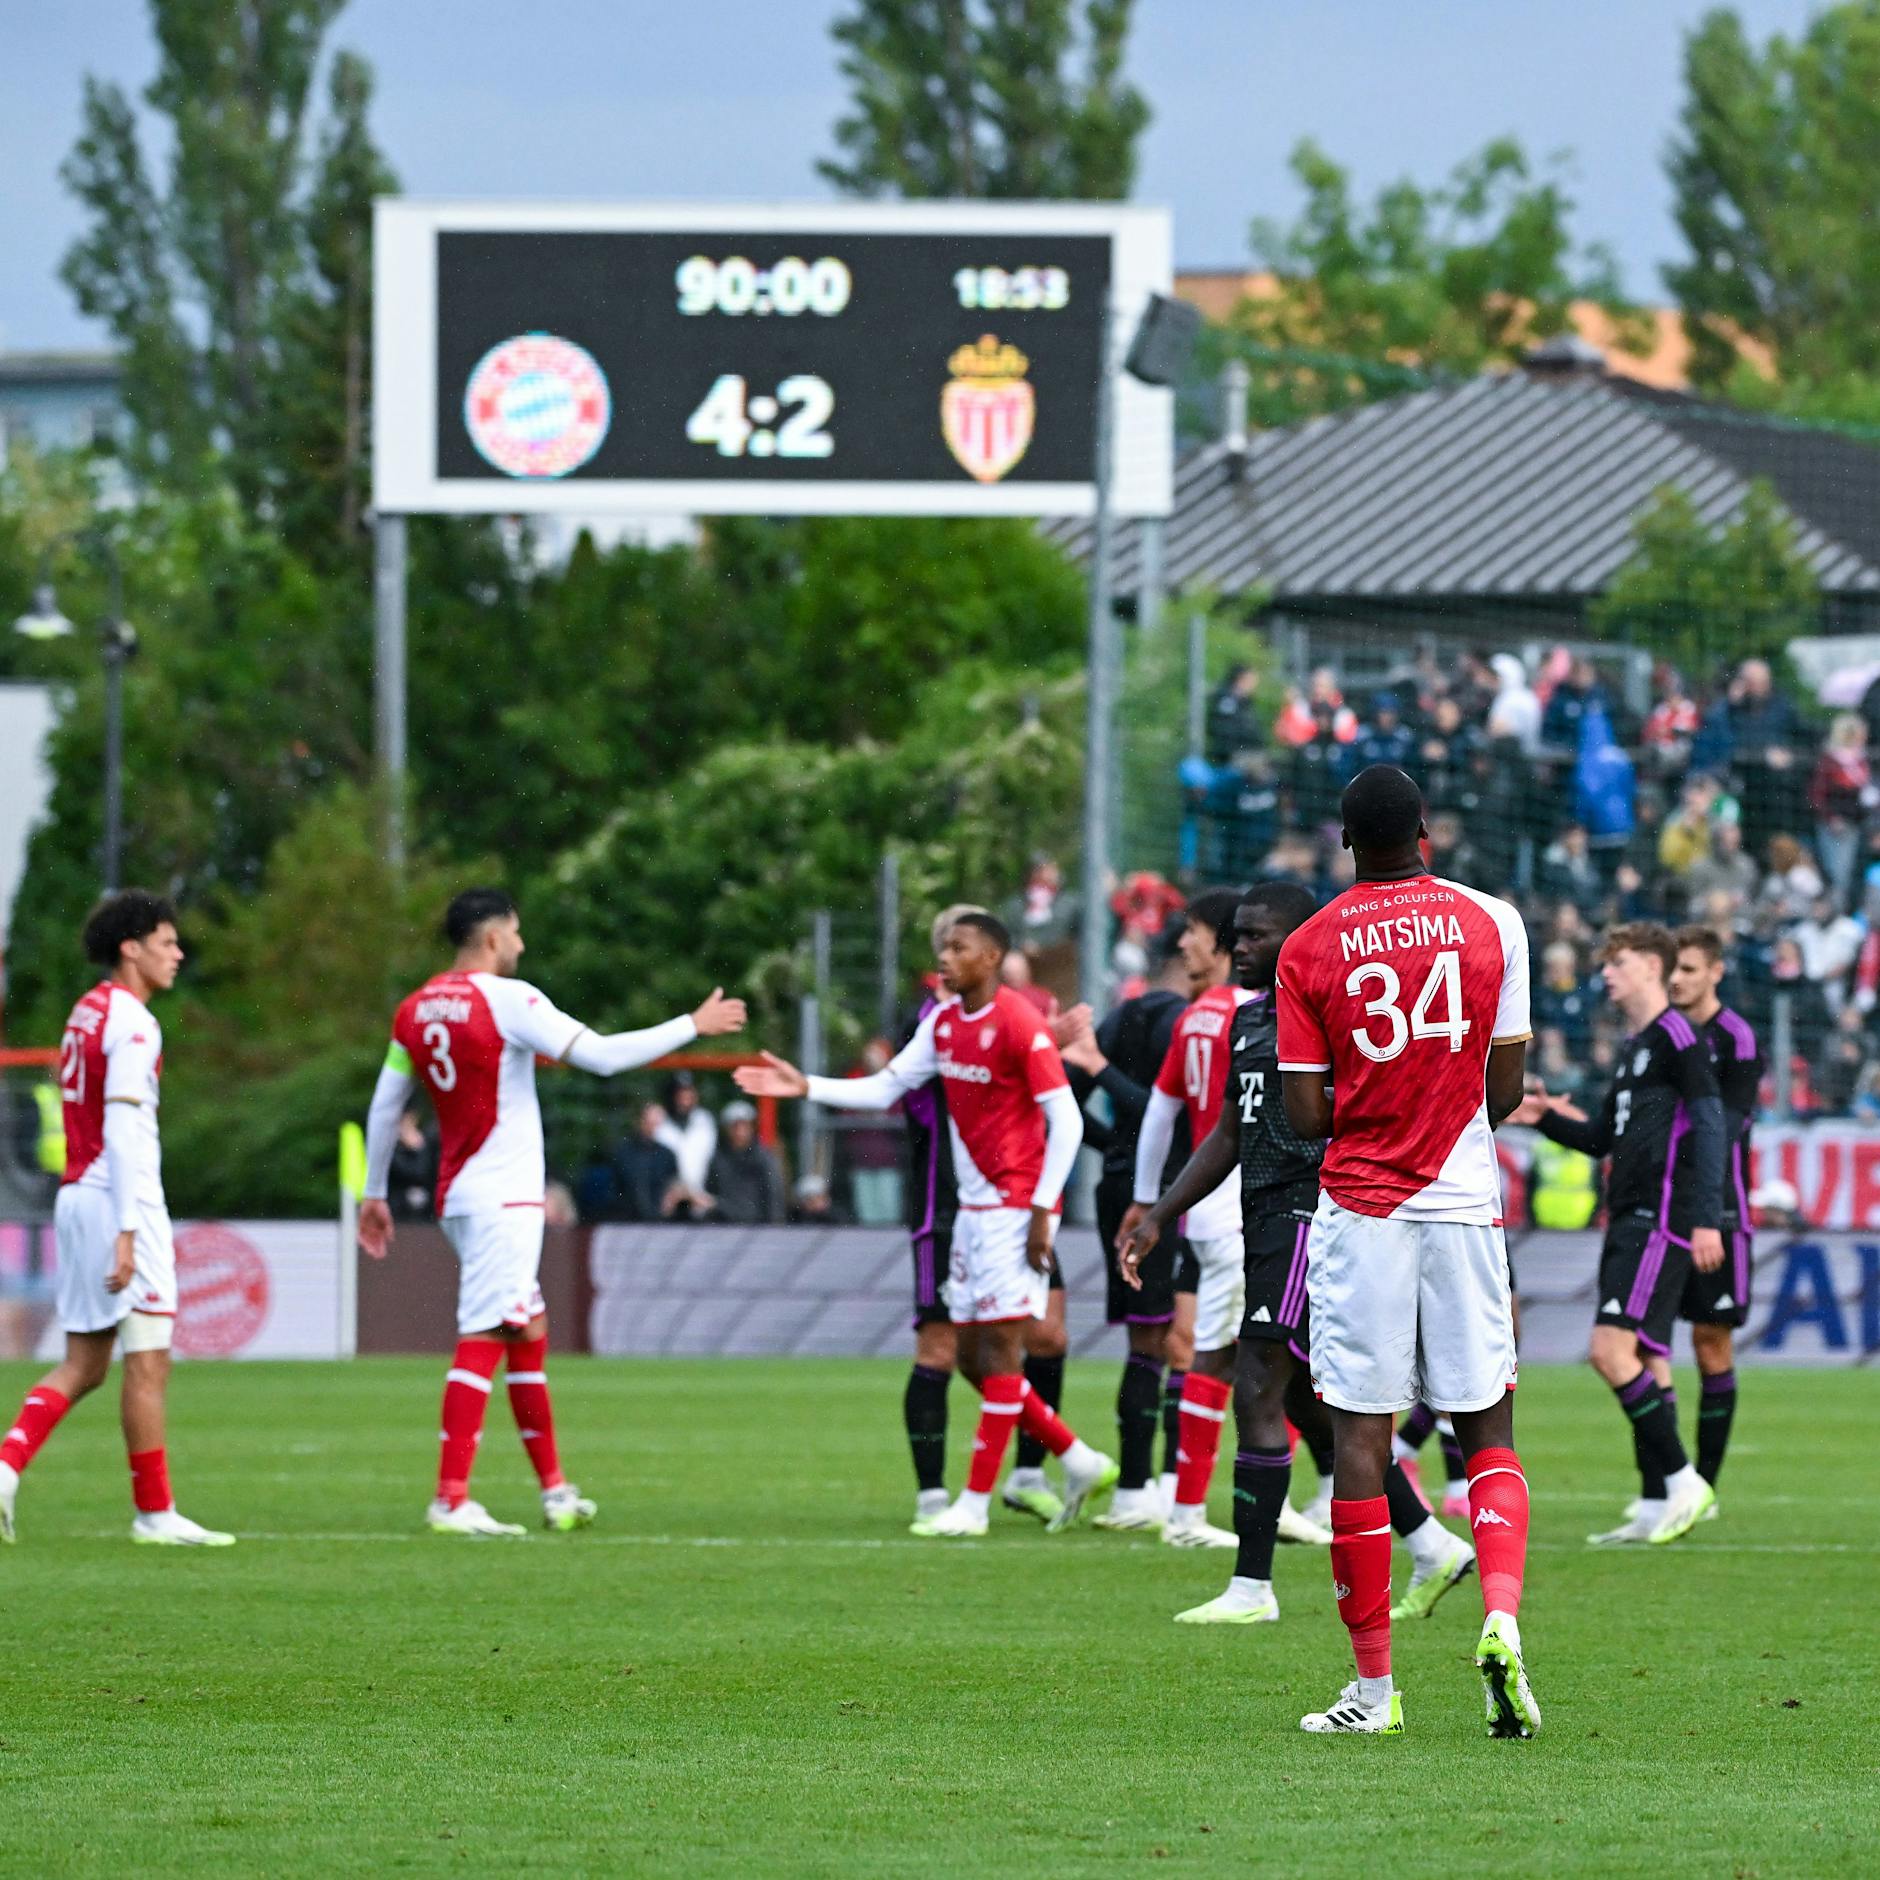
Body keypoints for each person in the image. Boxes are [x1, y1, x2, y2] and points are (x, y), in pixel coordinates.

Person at [1124, 884, 1479, 1630]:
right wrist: (1159, 1212)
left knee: (1256, 1383)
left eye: (1255, 935)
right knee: (1309, 1401)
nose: (1238, 947)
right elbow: (1228, 1130)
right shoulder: (1247, 1020)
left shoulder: (1331, 1016)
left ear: (1300, 940)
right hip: (1263, 1219)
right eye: (1237, 935)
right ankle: (1430, 1542)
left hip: (1313, 1215)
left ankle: (1253, 1586)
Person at [1276, 765, 1537, 1739]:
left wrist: (1377, 1108)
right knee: (1487, 1430)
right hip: (1463, 1200)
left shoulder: (1307, 945)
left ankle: (1373, 1691)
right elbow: (1500, 1090)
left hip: (1361, 1206)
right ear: (1424, 829)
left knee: (1356, 1437)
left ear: (1344, 840)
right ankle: (1500, 1619)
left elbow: (1304, 1115)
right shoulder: (1492, 921)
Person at [359, 887, 746, 1536]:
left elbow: (384, 1103)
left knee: (527, 1328)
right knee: (486, 1332)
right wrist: (690, 1026)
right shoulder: (510, 1000)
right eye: (515, 933)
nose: (522, 944)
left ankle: (556, 1491)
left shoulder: (415, 1008)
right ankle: (451, 1498)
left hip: (461, 1196)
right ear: (491, 938)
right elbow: (600, 1056)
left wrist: (374, 1192)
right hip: (504, 1196)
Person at [737, 911, 1117, 1538]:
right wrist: (805, 1085)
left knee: (1000, 1351)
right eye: (943, 946)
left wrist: (1043, 1210)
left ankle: (971, 1504)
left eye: (959, 947)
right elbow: (888, 1086)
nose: (945, 957)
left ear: (992, 956)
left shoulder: (1020, 1022)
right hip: (971, 1215)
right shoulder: (942, 1024)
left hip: (1013, 1210)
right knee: (971, 1355)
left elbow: (1067, 1121)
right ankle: (1079, 1460)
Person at [0, 891, 233, 1547]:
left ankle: (6, 1467)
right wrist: (129, 1231)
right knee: (149, 1362)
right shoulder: (133, 1021)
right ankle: (155, 1513)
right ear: (131, 947)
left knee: (85, 1365)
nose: (177, 952)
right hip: (116, 1199)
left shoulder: (87, 1011)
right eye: (166, 940)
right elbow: (126, 1128)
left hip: (76, 1196)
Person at [1510, 921, 1724, 1548]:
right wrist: (1546, 1118)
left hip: (1659, 1217)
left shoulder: (1680, 1038)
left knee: (1610, 1351)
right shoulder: (1637, 1045)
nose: (1605, 973)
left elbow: (1710, 1126)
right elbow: (1601, 1137)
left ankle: (1685, 1481)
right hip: (1627, 1215)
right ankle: (1657, 1498)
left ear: (1652, 969)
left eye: (1618, 962)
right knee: (1648, 1357)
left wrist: (1707, 1214)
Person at [1121, 888, 1259, 1548]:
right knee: (1226, 1355)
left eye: (1192, 931)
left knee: (1273, 1350)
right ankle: (1187, 1513)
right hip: (1240, 1210)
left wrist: (1147, 1198)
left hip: (1207, 1212)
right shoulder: (1249, 1014)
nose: (1182, 943)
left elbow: (1159, 1114)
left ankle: (1274, 1496)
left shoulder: (1196, 1016)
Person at [1054, 928, 1195, 1530]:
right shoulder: (1190, 1023)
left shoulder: (1119, 1017)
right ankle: (1160, 1487)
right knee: (1181, 1341)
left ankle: (1141, 1488)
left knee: (1146, 1341)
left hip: (1118, 1187)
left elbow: (1065, 1094)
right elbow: (1173, 1112)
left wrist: (1112, 1145)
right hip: (1173, 1189)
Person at [1667, 927, 1762, 1504]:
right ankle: (1665, 1484)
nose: (1678, 979)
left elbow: (1728, 1127)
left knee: (1710, 1341)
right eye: (1674, 969)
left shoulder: (1737, 1038)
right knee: (1640, 1346)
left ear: (1716, 972)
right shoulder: (1663, 1034)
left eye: (1691, 969)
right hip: (1658, 1207)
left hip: (1718, 1209)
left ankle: (1702, 1484)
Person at [706, 1100, 786, 1225]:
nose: (739, 1131)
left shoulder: (763, 1157)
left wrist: (774, 1225)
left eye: (744, 1125)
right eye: (734, 1126)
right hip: (725, 1224)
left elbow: (773, 1194)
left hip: (756, 1225)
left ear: (752, 1127)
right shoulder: (718, 1158)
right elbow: (712, 1191)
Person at [657, 1072, 718, 1220]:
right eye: (680, 1092)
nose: (685, 1098)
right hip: (667, 1201)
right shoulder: (660, 1122)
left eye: (688, 1091)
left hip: (700, 1200)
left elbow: (712, 1161)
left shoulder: (705, 1121)